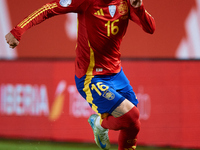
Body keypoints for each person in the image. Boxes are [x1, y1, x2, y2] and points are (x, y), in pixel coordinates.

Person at [5, 0, 155, 149]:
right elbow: (48, 9)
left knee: (133, 125)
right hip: (91, 77)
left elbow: (150, 28)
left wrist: (138, 7)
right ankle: (99, 124)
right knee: (131, 116)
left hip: (116, 74)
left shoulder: (127, 2)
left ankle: (100, 125)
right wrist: (18, 31)